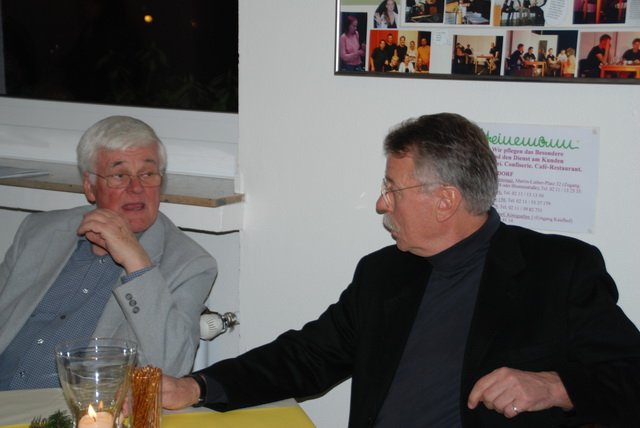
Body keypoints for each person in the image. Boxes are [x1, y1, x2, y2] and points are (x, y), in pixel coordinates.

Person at [162, 112, 640, 427]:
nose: (380, 204)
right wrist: (196, 386)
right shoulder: (384, 274)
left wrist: (556, 386)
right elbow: (305, 356)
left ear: (445, 200)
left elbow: (630, 380)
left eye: (393, 189)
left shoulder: (557, 271)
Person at [0, 116, 217, 390]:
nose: (136, 188)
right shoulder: (39, 232)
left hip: (75, 407)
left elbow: (171, 368)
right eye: (119, 175)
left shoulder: (190, 264)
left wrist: (137, 264)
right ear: (89, 186)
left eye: (148, 174)